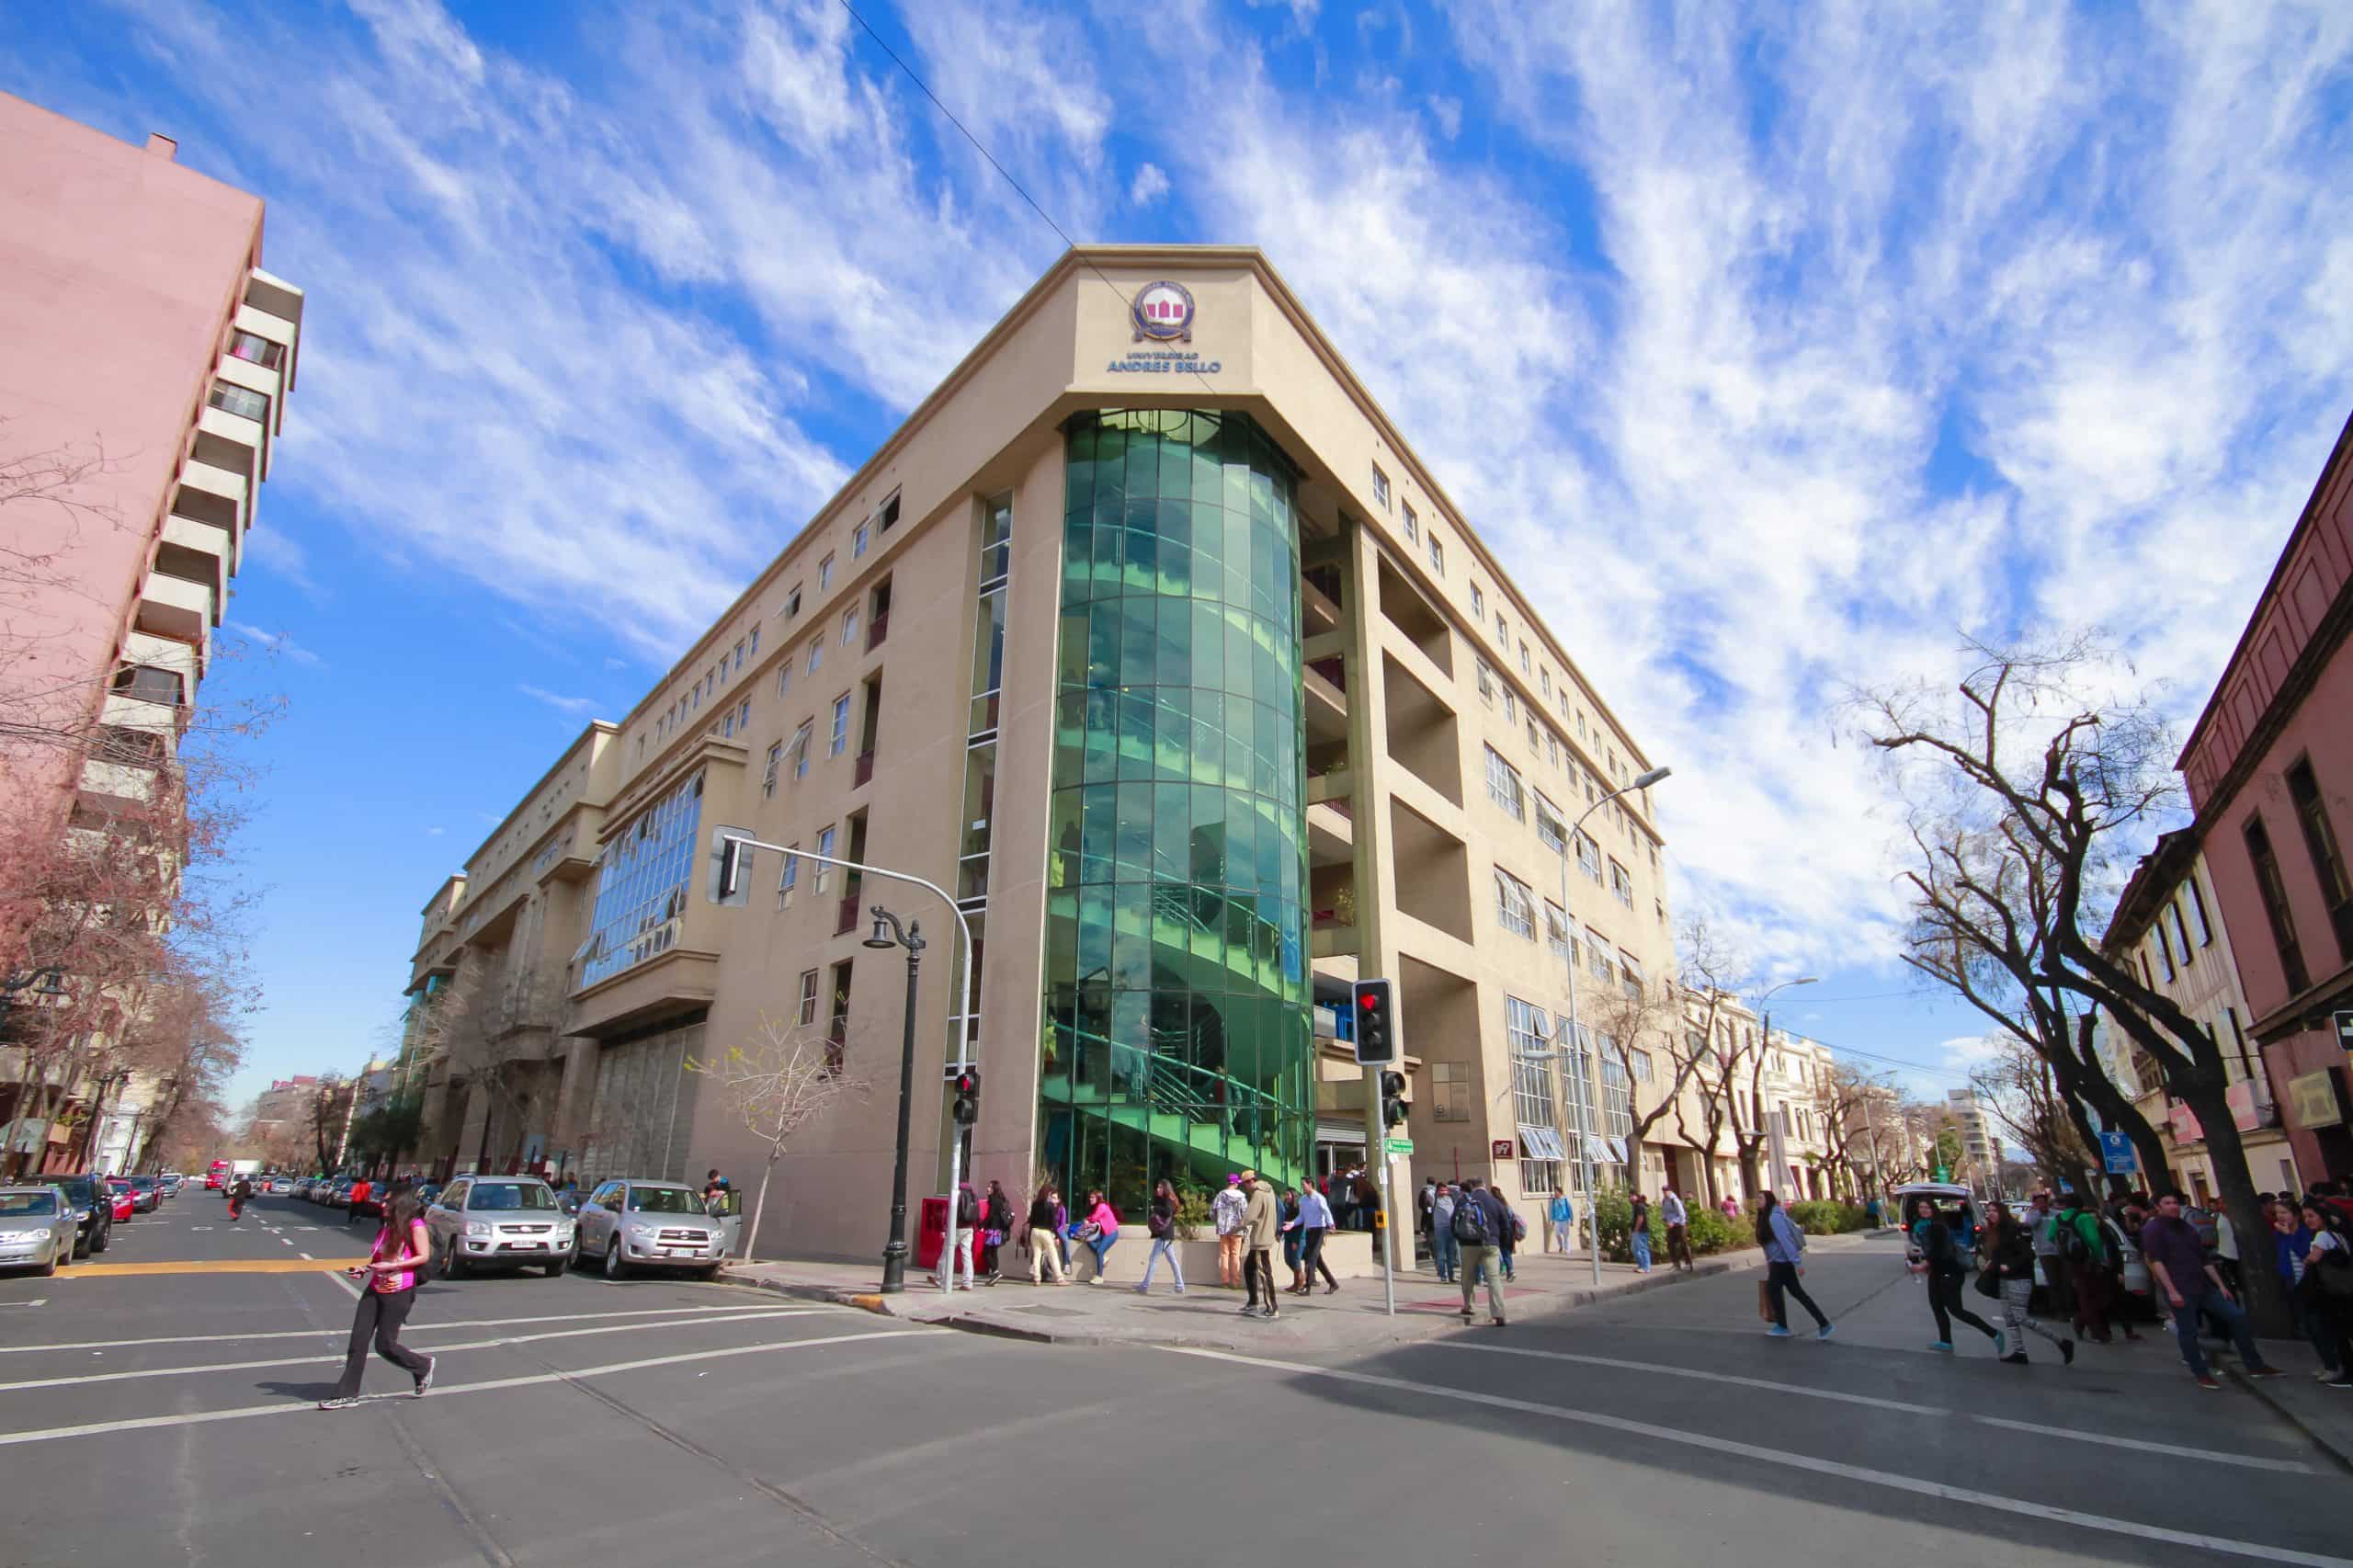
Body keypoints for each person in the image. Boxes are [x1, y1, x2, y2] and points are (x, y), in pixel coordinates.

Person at [2140, 1189, 2286, 1390]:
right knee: (2188, 1331)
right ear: (2158, 1206)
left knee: (2237, 1316)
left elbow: (2204, 1259)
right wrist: (2171, 1291)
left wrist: (2220, 1285)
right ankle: (2201, 1373)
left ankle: (2254, 1364)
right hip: (2180, 1287)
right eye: (2167, 1203)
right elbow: (2156, 1261)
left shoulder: (2186, 1227)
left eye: (2175, 1202)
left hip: (2204, 1286)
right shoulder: (2153, 1229)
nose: (2173, 1206)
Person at [317, 1185, 436, 1410]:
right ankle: (347, 1393)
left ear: (400, 1205)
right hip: (375, 1287)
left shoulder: (415, 1225)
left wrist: (395, 1265)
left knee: (385, 1345)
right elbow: (379, 1256)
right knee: (358, 1341)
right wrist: (365, 1268)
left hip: (399, 1291)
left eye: (388, 1202)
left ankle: (422, 1366)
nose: (382, 1205)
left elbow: (423, 1256)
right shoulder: (386, 1227)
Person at [1909, 1196, 1996, 1352]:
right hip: (1937, 1272)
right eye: (1921, 1207)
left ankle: (1994, 1334)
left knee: (1956, 1310)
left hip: (1950, 1272)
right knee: (1937, 1306)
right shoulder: (1923, 1226)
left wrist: (1922, 1265)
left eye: (1927, 1208)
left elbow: (1937, 1252)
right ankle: (1946, 1341)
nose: (1923, 1210)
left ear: (1933, 1209)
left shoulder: (1937, 1226)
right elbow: (1929, 1250)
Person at [1988, 1210, 2074, 1366]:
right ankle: (2019, 1351)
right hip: (2004, 1278)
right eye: (1989, 1211)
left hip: (2019, 1278)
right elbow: (1999, 1254)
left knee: (2020, 1316)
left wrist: (2010, 1266)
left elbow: (2028, 1253)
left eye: (1994, 1210)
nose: (1990, 1213)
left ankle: (2062, 1342)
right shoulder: (1995, 1232)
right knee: (2008, 1316)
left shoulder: (2015, 1228)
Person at [1756, 1191, 1832, 1339]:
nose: (1757, 1201)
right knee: (1796, 1293)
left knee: (1775, 1291)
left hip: (1783, 1263)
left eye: (1760, 1198)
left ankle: (1783, 1327)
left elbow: (1786, 1241)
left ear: (1768, 1200)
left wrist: (1797, 1262)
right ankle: (1824, 1324)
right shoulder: (1765, 1217)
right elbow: (1768, 1244)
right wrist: (1769, 1262)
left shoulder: (1774, 1218)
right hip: (1778, 1262)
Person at [2293, 1200, 2353, 1388]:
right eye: (2305, 1217)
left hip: (2330, 1293)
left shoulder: (2321, 1236)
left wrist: (2306, 1261)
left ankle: (2348, 1373)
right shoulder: (2339, 1236)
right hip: (2343, 1290)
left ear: (2323, 1216)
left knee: (2338, 1334)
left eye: (2311, 1216)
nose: (2308, 1220)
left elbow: (2314, 1258)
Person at [1452, 1177, 1507, 1326]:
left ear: (1472, 1187)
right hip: (1491, 1245)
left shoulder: (1464, 1201)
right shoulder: (1494, 1202)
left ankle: (1469, 1306)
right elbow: (1505, 1224)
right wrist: (1499, 1242)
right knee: (1493, 1278)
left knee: (1467, 1277)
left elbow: (1454, 1222)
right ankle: (1498, 1313)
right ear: (1484, 1186)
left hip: (1469, 1245)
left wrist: (1461, 1240)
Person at [1240, 1171, 1280, 1319]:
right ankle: (1253, 1302)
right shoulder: (1269, 1190)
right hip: (1267, 1235)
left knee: (1264, 1273)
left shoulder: (1258, 1194)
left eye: (1244, 1184)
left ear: (1249, 1182)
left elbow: (1249, 1217)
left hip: (1260, 1240)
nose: (1244, 1188)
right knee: (1249, 1267)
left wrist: (1235, 1228)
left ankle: (1272, 1307)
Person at [1136, 1178, 1188, 1295]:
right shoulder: (1168, 1199)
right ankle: (1180, 1286)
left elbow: (1168, 1212)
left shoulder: (1167, 1199)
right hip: (1167, 1234)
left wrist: (1155, 1208)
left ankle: (1145, 1286)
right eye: (1157, 1187)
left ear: (1165, 1188)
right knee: (1172, 1260)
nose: (1158, 1189)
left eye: (1160, 1187)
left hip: (1164, 1235)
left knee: (1153, 1259)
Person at [1293, 1174, 1338, 1295]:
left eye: (1304, 1184)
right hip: (1309, 1231)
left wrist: (1331, 1224)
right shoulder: (1303, 1200)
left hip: (1319, 1230)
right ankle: (1333, 1283)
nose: (1302, 1187)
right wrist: (1292, 1224)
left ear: (1310, 1184)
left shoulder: (1319, 1198)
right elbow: (1301, 1217)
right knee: (1318, 1261)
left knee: (1311, 1258)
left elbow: (1326, 1211)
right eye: (1302, 1184)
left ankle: (1307, 1287)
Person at [2029, 1192, 2070, 1321]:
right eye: (2038, 1202)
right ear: (2034, 1203)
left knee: (2065, 1281)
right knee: (2053, 1281)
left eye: (2043, 1201)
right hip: (2045, 1253)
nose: (2042, 1204)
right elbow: (2030, 1224)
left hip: (2061, 1251)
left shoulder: (2056, 1214)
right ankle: (2056, 1309)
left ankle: (2068, 1309)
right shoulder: (2033, 1215)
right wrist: (2037, 1212)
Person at [1071, 1189, 1119, 1285]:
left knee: (1099, 1251)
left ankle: (1099, 1276)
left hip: (1111, 1233)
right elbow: (1093, 1218)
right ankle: (1103, 1258)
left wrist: (1087, 1220)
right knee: (1087, 1239)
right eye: (1090, 1197)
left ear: (1098, 1198)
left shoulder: (1102, 1206)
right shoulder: (1096, 1207)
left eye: (1092, 1197)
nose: (1090, 1199)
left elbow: (1094, 1218)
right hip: (1104, 1233)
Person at [1024, 1183, 1068, 1285]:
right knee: (1053, 1255)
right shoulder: (1050, 1206)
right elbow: (1053, 1224)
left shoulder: (1035, 1204)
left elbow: (1032, 1221)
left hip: (1034, 1231)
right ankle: (1060, 1278)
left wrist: (1030, 1234)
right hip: (1045, 1232)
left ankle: (1036, 1278)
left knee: (1037, 1255)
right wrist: (1057, 1236)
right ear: (1048, 1193)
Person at [1211, 1174, 1247, 1290]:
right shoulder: (1242, 1197)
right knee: (1235, 1255)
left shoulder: (1220, 1195)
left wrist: (1218, 1221)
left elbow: (1212, 1211)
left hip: (1223, 1229)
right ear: (1236, 1183)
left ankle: (1225, 1281)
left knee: (1224, 1255)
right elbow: (1245, 1212)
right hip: (1237, 1229)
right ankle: (1235, 1282)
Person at [981, 1179, 1015, 1285]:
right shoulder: (1000, 1200)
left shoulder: (994, 1201)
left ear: (994, 1189)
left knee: (986, 1253)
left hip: (993, 1231)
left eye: (990, 1187)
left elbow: (990, 1216)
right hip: (998, 1231)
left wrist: (981, 1225)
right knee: (993, 1252)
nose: (988, 1189)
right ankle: (995, 1276)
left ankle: (995, 1272)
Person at [1429, 1182, 1459, 1284]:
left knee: (1451, 1254)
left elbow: (1457, 1190)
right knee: (1441, 1254)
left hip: (1451, 1229)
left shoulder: (1450, 1199)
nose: (1444, 1192)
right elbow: (1429, 1193)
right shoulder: (1435, 1200)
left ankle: (1451, 1275)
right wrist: (1435, 1189)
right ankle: (1443, 1275)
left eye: (1445, 1190)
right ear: (1437, 1191)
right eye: (1442, 1190)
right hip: (1440, 1230)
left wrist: (1448, 1187)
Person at [1661, 1186, 1694, 1272]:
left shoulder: (1674, 1200)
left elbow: (1682, 1214)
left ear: (1670, 1191)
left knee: (1683, 1243)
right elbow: (1665, 1212)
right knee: (1670, 1243)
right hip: (1670, 1225)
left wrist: (1674, 1222)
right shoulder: (1664, 1201)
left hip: (1680, 1224)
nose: (1665, 1192)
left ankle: (1688, 1263)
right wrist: (1664, 1218)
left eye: (1666, 1191)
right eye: (1664, 1191)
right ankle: (1676, 1264)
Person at [1279, 1186, 1305, 1289]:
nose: (1287, 1197)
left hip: (1297, 1237)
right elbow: (1284, 1222)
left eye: (1288, 1195)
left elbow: (1300, 1225)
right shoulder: (1287, 1207)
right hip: (1288, 1236)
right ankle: (1301, 1278)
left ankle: (1298, 1283)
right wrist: (1280, 1233)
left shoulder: (1298, 1208)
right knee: (1288, 1259)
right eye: (1286, 1195)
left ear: (1294, 1196)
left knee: (1295, 1259)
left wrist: (1296, 1241)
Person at [1495, 1187, 1522, 1281]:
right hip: (1509, 1231)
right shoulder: (1507, 1205)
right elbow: (1512, 1217)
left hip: (1502, 1232)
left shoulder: (1497, 1206)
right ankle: (1510, 1270)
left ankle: (1508, 1270)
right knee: (1507, 1252)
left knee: (1502, 1251)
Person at [1629, 1192, 1654, 1275]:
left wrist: (1636, 1229)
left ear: (1637, 1196)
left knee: (1643, 1249)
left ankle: (1646, 1268)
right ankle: (1641, 1265)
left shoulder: (1639, 1206)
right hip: (1636, 1231)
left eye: (1632, 1196)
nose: (1631, 1198)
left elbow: (1640, 1218)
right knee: (1634, 1249)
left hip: (1641, 1231)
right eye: (1630, 1197)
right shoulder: (1635, 1206)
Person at [1548, 1191, 1574, 1255]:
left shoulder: (1565, 1200)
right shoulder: (1554, 1201)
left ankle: (1567, 1249)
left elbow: (1569, 1209)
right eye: (1555, 1193)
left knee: (1566, 1235)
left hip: (1565, 1220)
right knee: (1557, 1234)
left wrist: (1571, 1219)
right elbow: (1553, 1211)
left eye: (1557, 1193)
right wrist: (1552, 1220)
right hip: (1557, 1220)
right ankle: (1561, 1245)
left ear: (1560, 1193)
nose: (1556, 1194)